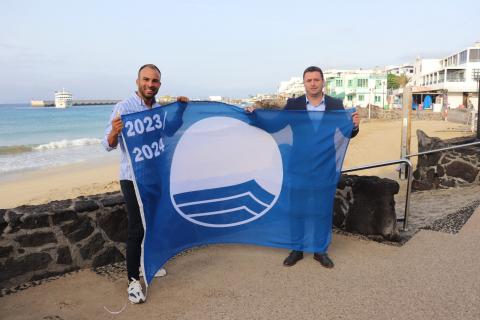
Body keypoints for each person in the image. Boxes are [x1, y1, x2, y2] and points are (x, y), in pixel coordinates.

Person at [247, 66, 359, 269]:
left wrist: (355, 126)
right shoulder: (294, 104)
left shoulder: (335, 104)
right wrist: (255, 116)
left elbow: (346, 133)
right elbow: (275, 125)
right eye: (309, 80)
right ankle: (296, 249)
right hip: (298, 164)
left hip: (325, 166)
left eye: (317, 79)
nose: (313, 83)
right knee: (296, 208)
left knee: (321, 209)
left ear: (323, 82)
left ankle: (320, 250)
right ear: (304, 83)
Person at [103, 64, 188, 304]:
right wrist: (114, 132)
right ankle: (132, 281)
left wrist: (180, 110)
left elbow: (169, 132)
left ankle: (145, 265)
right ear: (138, 81)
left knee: (152, 223)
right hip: (132, 177)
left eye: (155, 81)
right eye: (146, 80)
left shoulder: (159, 108)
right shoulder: (124, 108)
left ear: (159, 84)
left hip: (154, 176)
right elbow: (107, 144)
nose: (150, 84)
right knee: (136, 229)